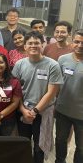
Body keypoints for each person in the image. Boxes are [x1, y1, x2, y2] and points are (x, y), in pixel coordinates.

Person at [12, 31, 63, 163]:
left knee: (40, 147)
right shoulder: (19, 65)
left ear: (42, 45)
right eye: (30, 43)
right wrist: (23, 110)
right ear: (25, 46)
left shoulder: (53, 65)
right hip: (23, 111)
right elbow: (15, 91)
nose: (33, 46)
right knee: (23, 143)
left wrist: (35, 111)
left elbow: (51, 92)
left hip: (42, 112)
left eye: (37, 43)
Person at [55, 29, 83, 163]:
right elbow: (56, 85)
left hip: (82, 114)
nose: (80, 45)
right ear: (72, 42)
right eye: (76, 42)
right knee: (60, 140)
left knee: (81, 147)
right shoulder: (63, 59)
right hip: (62, 110)